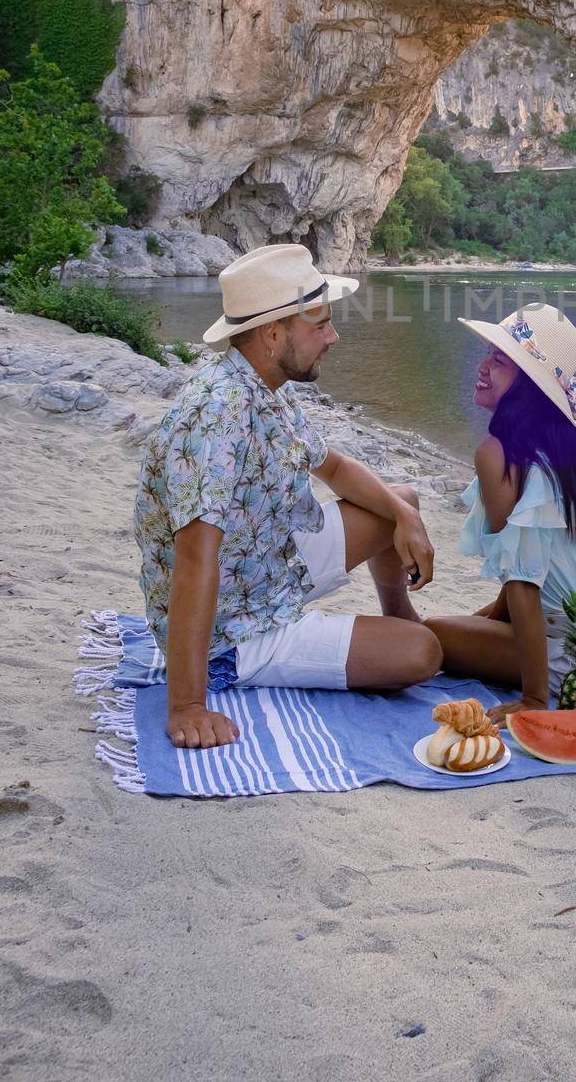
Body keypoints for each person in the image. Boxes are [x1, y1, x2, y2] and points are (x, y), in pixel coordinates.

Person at [134, 244, 442, 750]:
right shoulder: (217, 414)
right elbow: (194, 558)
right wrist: (187, 706)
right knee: (420, 654)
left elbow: (336, 468)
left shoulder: (267, 386)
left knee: (398, 497)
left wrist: (404, 513)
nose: (333, 337)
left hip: (266, 569)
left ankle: (398, 612)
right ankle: (226, 671)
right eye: (319, 326)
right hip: (234, 628)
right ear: (274, 333)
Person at [425, 303, 576, 724]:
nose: (483, 365)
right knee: (472, 622)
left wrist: (533, 699)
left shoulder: (497, 454)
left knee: (434, 632)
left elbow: (524, 582)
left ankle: (539, 684)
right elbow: (538, 557)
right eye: (488, 352)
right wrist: (490, 616)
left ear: (528, 385)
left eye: (500, 359)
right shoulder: (569, 449)